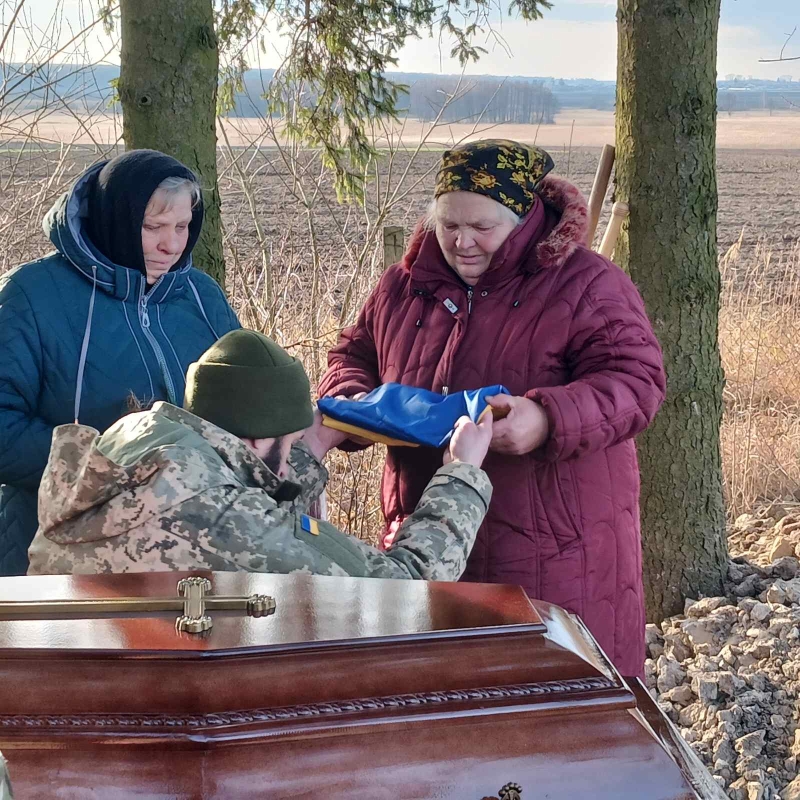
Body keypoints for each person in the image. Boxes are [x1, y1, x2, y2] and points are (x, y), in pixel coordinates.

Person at [318, 139, 666, 677]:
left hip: (553, 555)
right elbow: (352, 355)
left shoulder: (586, 284)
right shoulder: (404, 287)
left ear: (524, 217)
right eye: (449, 225)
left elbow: (636, 380)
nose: (462, 242)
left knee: (554, 718)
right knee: (445, 710)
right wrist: (352, 407)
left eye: (482, 228)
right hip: (426, 544)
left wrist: (547, 418)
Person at [27, 330, 493, 579]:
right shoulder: (220, 512)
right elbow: (405, 585)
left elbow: (244, 495)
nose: (290, 462)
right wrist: (462, 473)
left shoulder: (137, 438)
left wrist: (309, 448)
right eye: (287, 444)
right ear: (253, 439)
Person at [0, 150, 240, 576]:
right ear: (116, 221)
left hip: (189, 549)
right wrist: (111, 469)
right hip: (59, 552)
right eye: (152, 227)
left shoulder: (201, 297)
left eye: (182, 226)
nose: (171, 244)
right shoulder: (33, 296)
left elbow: (243, 408)